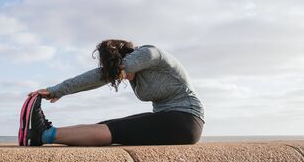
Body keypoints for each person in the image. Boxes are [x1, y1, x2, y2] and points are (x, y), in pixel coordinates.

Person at [25, 39, 205, 146]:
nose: (123, 76)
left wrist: (57, 90)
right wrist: (60, 92)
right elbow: (102, 79)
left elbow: (100, 76)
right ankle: (45, 133)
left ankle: (42, 135)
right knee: (107, 125)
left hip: (186, 119)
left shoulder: (149, 53)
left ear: (124, 57)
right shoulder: (135, 72)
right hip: (171, 119)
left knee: (115, 130)